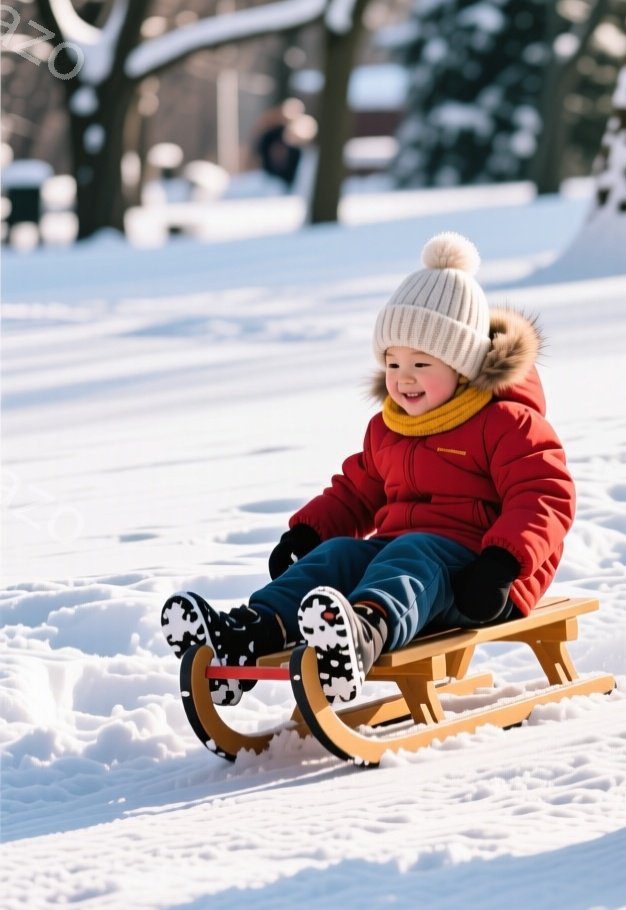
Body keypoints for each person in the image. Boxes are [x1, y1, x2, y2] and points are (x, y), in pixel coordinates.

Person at [160, 232, 575, 706]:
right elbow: (356, 492)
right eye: (393, 363)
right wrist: (308, 533)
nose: (404, 378)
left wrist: (503, 563)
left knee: (414, 551)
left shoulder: (506, 422)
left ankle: (358, 635)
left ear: (462, 368)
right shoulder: (389, 428)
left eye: (422, 362)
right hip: (401, 563)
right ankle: (248, 636)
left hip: (479, 577)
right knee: (339, 556)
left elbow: (544, 495)